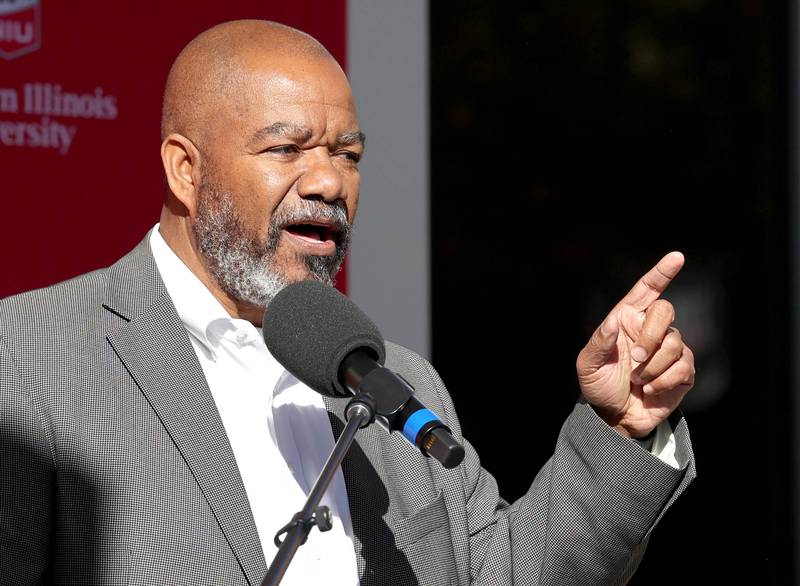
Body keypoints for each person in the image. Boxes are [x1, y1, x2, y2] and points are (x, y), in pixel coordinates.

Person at [0, 20, 696, 586]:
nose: (330, 181)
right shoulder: (32, 356)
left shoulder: (397, 384)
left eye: (349, 155)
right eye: (287, 148)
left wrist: (620, 428)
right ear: (186, 168)